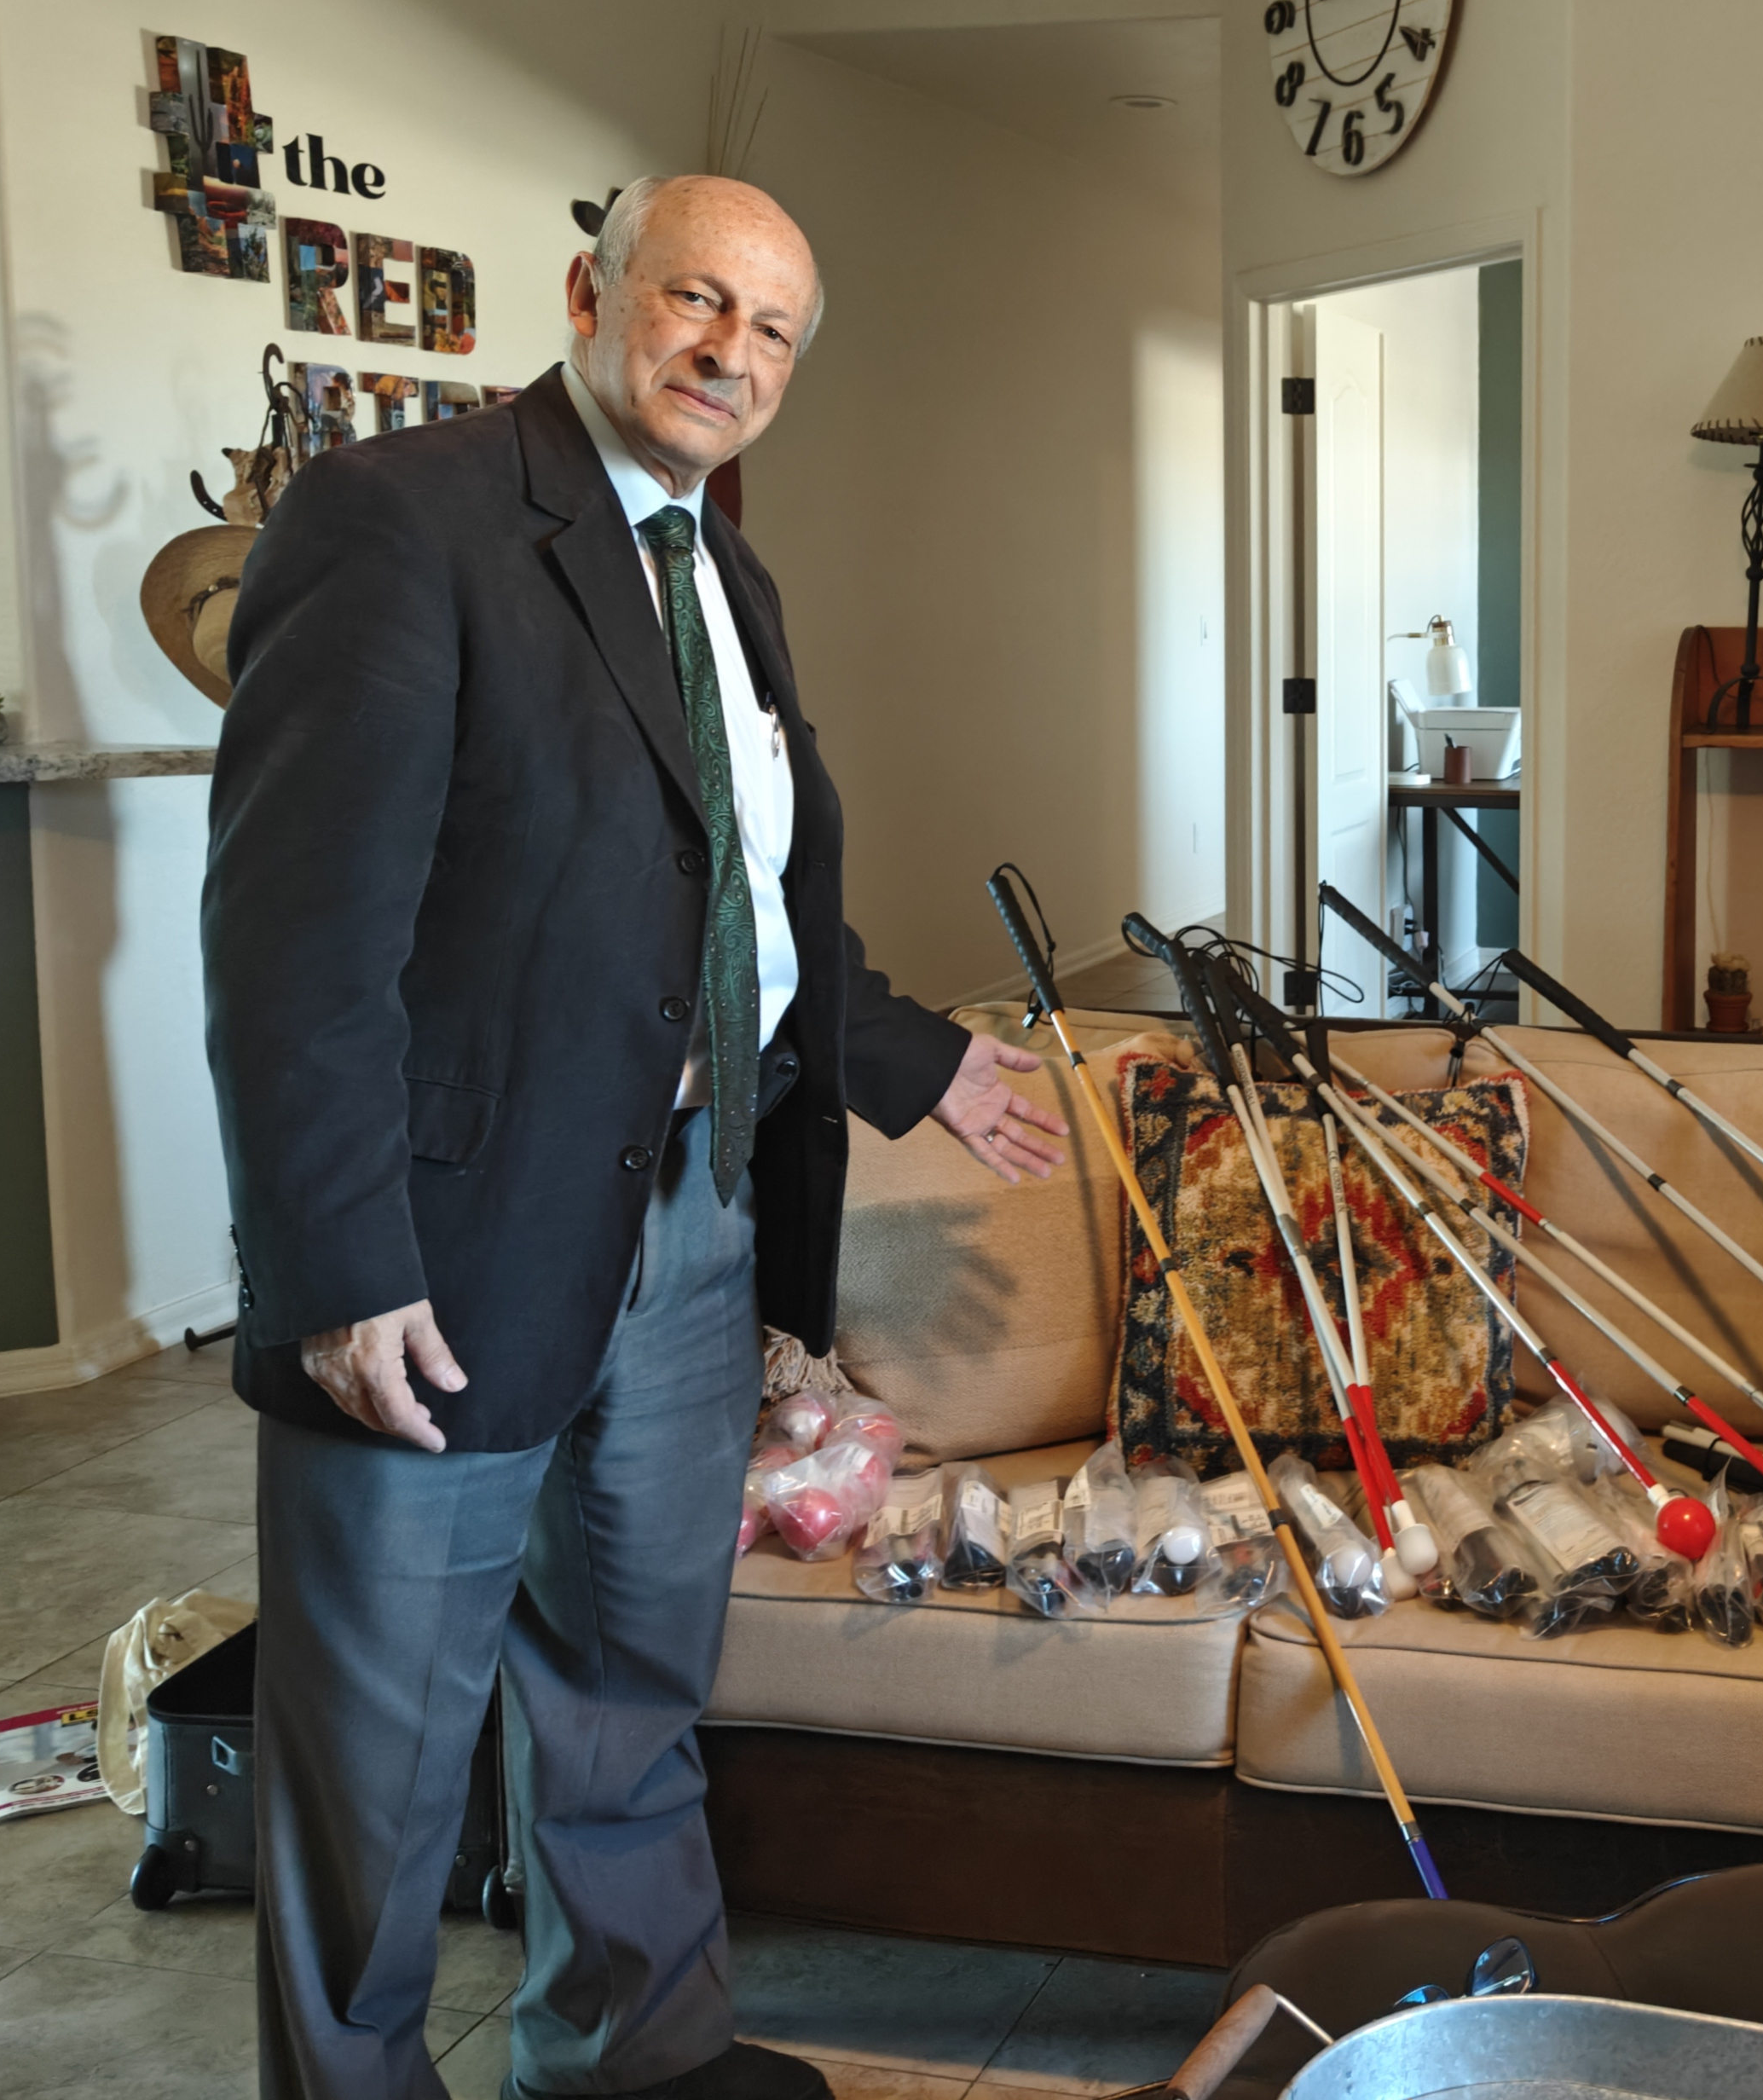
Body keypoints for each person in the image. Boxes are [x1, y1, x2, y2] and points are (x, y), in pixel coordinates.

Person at [205, 174, 1071, 2100]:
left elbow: (733, 898)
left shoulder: (722, 573)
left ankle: (633, 2066)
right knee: (379, 1765)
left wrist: (899, 1056)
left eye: (772, 333)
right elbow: (293, 942)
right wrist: (340, 1267)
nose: (729, 355)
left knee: (626, 1701)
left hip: (685, 1220)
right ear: (594, 295)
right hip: (443, 1247)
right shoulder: (398, 523)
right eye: (697, 303)